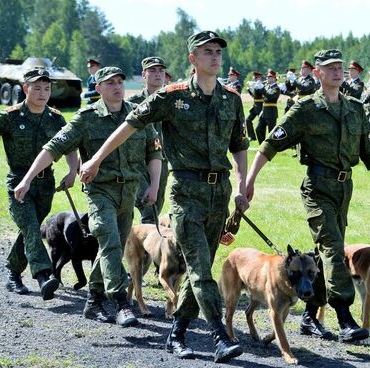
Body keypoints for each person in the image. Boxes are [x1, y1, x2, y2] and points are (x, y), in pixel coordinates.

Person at [76, 31, 249, 364]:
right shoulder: (172, 96)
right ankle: (219, 336)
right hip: (186, 194)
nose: (215, 57)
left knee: (200, 268)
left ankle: (176, 334)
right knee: (199, 269)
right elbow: (129, 124)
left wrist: (242, 184)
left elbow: (239, 146)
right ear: (192, 59)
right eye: (207, 51)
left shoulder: (231, 99)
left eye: (218, 52)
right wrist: (96, 159)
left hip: (220, 194)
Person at [245, 49, 370, 344]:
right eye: (330, 68)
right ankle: (345, 318)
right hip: (317, 187)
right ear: (318, 73)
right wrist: (249, 180)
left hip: (343, 188)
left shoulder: (354, 108)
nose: (337, 72)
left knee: (325, 254)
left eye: (340, 67)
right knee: (335, 247)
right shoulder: (306, 109)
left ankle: (311, 316)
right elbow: (271, 143)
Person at [14, 66, 163, 327]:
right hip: (100, 192)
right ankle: (119, 302)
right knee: (110, 240)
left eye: (120, 81)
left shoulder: (138, 115)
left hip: (128, 193)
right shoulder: (86, 118)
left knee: (110, 248)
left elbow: (154, 152)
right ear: (98, 88)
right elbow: (53, 148)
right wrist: (27, 179)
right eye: (110, 83)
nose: (117, 87)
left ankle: (93, 300)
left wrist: (153, 185)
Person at [0, 69, 78, 300]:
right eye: (36, 88)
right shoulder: (9, 116)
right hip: (18, 182)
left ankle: (13, 272)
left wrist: (72, 170)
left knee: (30, 228)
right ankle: (44, 275)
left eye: (46, 88)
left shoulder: (56, 118)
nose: (42, 93)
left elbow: (69, 145)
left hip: (45, 184)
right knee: (30, 227)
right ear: (26, 89)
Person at [127, 56, 170, 225]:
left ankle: (140, 246)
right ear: (143, 74)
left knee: (156, 207)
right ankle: (144, 248)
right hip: (137, 163)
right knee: (148, 208)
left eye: (161, 70)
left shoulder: (173, 101)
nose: (157, 74)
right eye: (152, 70)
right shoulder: (132, 103)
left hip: (162, 162)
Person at [255, 69, 281, 144]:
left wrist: (262, 88)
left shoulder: (276, 88)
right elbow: (257, 96)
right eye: (267, 76)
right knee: (258, 129)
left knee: (271, 131)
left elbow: (269, 96)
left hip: (271, 112)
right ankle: (262, 145)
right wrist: (255, 87)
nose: (267, 78)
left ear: (274, 78)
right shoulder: (267, 86)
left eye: (269, 77)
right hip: (264, 111)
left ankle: (272, 146)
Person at [245, 71, 264, 141]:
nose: (254, 79)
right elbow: (254, 96)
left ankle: (262, 137)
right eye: (254, 78)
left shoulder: (262, 85)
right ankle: (252, 136)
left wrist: (252, 87)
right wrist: (249, 90)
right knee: (248, 120)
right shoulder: (255, 84)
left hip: (260, 105)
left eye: (256, 78)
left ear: (259, 77)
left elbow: (258, 95)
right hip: (255, 105)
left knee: (260, 124)